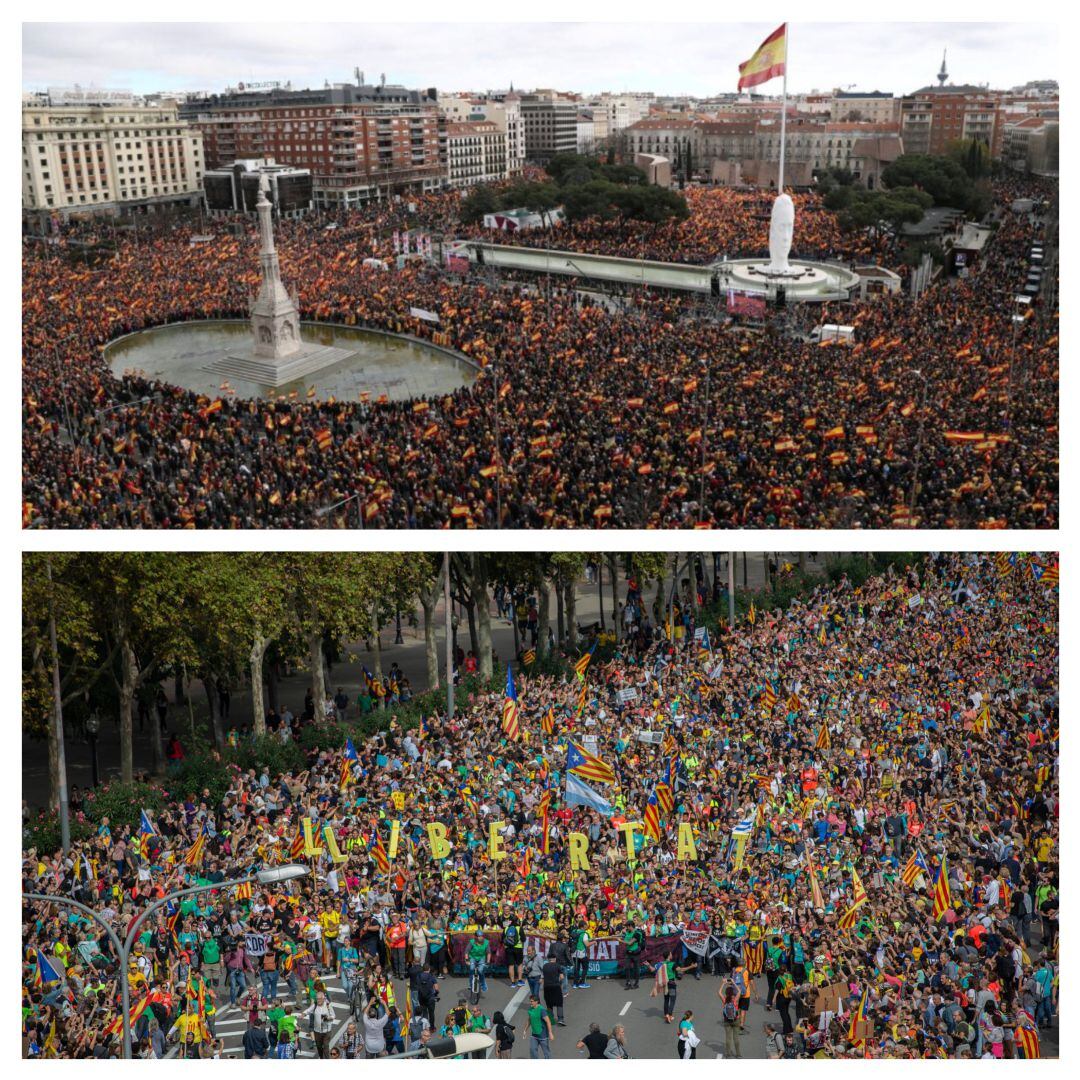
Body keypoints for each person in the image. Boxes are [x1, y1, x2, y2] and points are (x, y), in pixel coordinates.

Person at [302, 990, 336, 1059]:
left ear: (323, 998)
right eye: (317, 999)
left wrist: (329, 1018)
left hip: (327, 1030)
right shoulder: (315, 1005)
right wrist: (303, 1014)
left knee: (326, 1046)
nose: (318, 1000)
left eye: (319, 999)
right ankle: (321, 1058)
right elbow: (308, 1010)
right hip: (317, 1031)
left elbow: (334, 1016)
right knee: (319, 1046)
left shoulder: (328, 1005)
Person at [526, 994, 554, 1060]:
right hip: (534, 1035)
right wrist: (525, 1030)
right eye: (530, 1001)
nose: (530, 1003)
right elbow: (529, 1020)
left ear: (536, 1002)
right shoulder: (530, 1009)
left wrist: (550, 1033)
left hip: (543, 1036)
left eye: (532, 1001)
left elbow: (548, 1021)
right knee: (533, 1051)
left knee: (546, 1053)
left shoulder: (542, 1010)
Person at [542, 950, 566, 1026]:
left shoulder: (545, 966)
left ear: (548, 959)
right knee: (559, 1003)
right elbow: (562, 977)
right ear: (555, 959)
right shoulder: (557, 965)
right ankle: (560, 1019)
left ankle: (551, 1020)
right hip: (556, 986)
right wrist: (560, 984)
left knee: (549, 1004)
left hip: (546, 987)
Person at [720, 981, 742, 1059]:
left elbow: (719, 992)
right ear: (733, 993)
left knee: (728, 1038)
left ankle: (728, 1054)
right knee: (736, 1038)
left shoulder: (725, 1000)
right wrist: (733, 982)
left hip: (727, 1021)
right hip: (736, 1020)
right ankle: (738, 1054)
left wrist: (723, 983)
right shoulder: (735, 1000)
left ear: (726, 993)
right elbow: (739, 991)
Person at [466, 928, 489, 995]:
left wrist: (488, 961)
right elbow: (466, 952)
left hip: (481, 957)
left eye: (481, 936)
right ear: (475, 937)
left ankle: (483, 984)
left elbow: (488, 953)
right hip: (473, 957)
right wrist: (467, 960)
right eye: (479, 936)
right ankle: (471, 985)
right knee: (471, 968)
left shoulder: (486, 942)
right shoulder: (471, 942)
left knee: (480, 970)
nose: (480, 938)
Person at [623, 919, 645, 989]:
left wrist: (620, 940)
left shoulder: (637, 933)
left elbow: (630, 943)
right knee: (627, 968)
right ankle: (628, 983)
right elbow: (626, 939)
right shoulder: (627, 932)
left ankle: (636, 983)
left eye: (627, 926)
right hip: (628, 953)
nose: (626, 928)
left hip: (636, 953)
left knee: (636, 969)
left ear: (630, 926)